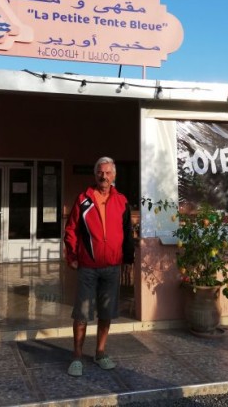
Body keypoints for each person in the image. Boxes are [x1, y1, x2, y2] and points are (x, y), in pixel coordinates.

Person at [63, 156, 134, 377]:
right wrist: (71, 256)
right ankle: (77, 356)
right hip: (88, 267)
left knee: (106, 313)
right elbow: (71, 230)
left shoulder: (121, 201)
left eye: (108, 172)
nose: (104, 176)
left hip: (111, 267)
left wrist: (128, 258)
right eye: (100, 172)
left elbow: (127, 232)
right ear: (95, 175)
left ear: (114, 175)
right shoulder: (83, 199)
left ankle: (100, 353)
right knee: (82, 314)